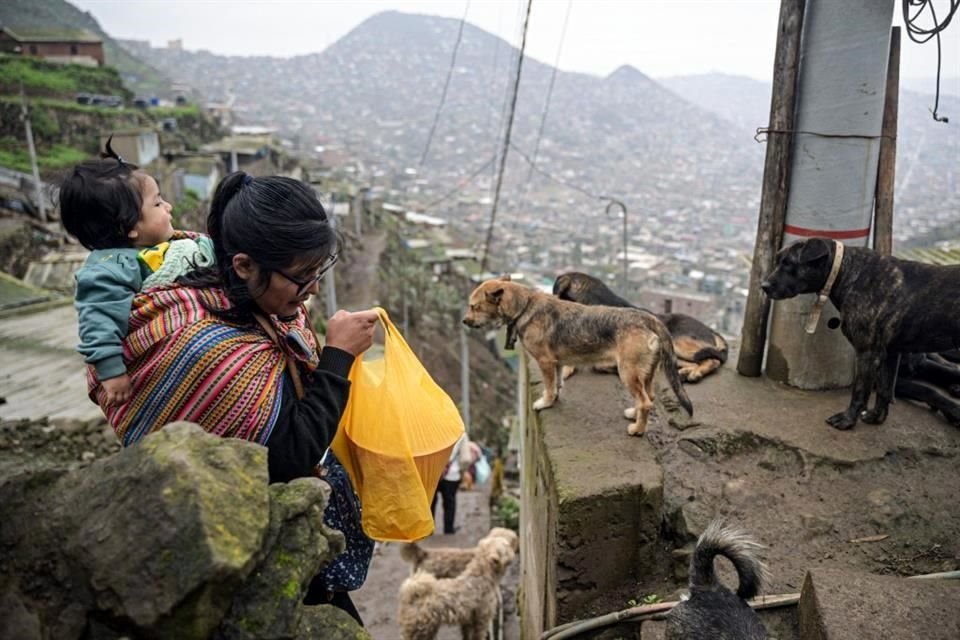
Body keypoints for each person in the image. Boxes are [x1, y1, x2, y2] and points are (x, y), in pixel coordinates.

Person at [85, 170, 378, 625]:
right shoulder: (202, 345)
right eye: (301, 277)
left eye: (318, 272)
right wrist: (337, 359)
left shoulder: (252, 303)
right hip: (236, 556)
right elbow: (290, 457)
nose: (313, 290)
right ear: (243, 265)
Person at [59, 137, 214, 406]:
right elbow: (98, 320)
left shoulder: (170, 246)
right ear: (128, 227)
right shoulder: (110, 267)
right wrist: (111, 371)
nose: (169, 207)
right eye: (157, 203)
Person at [431, 434, 479, 534]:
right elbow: (466, 458)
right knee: (449, 503)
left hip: (432, 473)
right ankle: (448, 530)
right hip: (452, 474)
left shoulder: (432, 429)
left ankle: (428, 530)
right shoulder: (459, 432)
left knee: (431, 502)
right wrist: (462, 470)